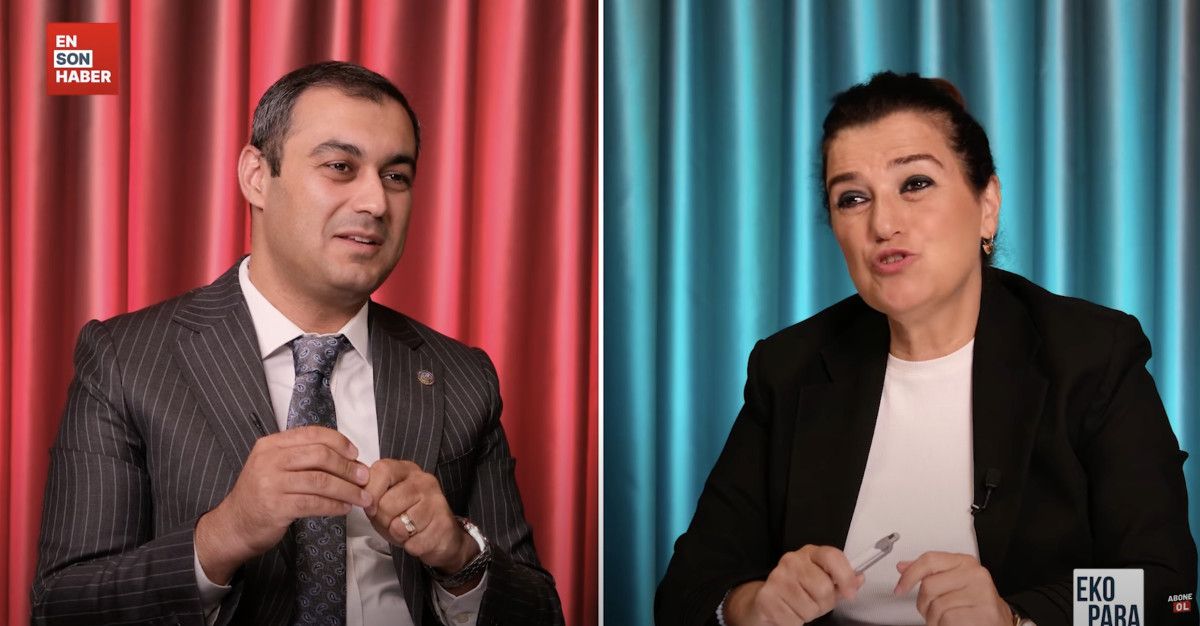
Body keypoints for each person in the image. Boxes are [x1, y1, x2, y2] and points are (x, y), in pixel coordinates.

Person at [32, 61, 563, 626]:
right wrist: (224, 535)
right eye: (340, 167)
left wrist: (460, 557)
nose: (376, 203)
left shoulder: (462, 376)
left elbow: (541, 613)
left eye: (395, 176)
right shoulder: (125, 360)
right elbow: (61, 607)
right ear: (257, 176)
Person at [655, 72, 1196, 626]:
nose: (883, 223)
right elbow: (685, 591)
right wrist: (749, 605)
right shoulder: (789, 368)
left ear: (987, 205)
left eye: (915, 183)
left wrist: (1016, 620)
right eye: (852, 198)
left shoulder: (1091, 355)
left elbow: (1166, 593)